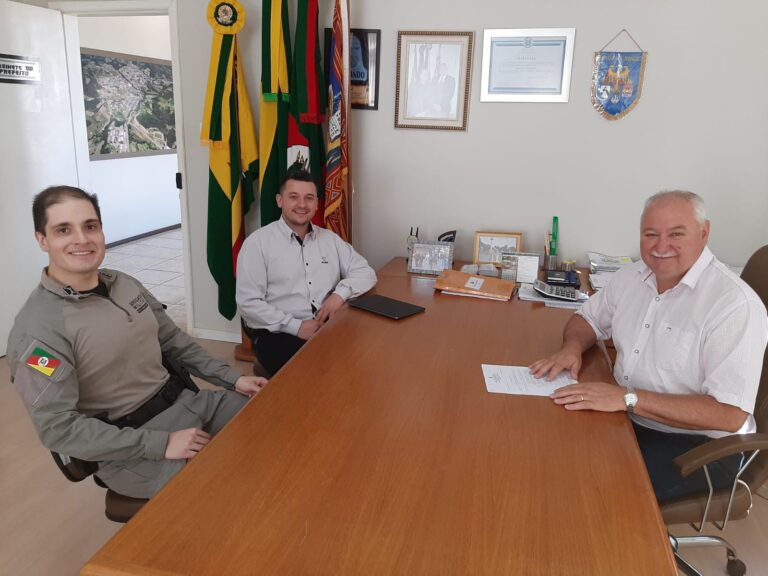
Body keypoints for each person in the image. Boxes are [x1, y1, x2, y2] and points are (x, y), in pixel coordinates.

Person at [7, 185, 267, 499]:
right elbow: (59, 429)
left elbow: (174, 341)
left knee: (271, 418)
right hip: (131, 446)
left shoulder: (123, 283)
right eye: (63, 229)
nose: (82, 239)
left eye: (90, 226)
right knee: (232, 486)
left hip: (186, 403)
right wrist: (161, 443)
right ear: (42, 240)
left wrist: (233, 379)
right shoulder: (38, 328)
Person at [530, 190, 767, 502]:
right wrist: (571, 348)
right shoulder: (632, 276)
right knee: (542, 444)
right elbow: (587, 318)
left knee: (578, 488)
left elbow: (729, 415)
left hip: (699, 447)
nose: (661, 246)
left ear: (704, 233)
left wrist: (628, 398)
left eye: (676, 234)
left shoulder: (733, 305)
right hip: (628, 417)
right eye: (651, 234)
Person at [236, 169, 377, 376]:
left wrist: (339, 295)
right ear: (280, 201)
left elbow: (366, 272)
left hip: (328, 324)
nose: (302, 205)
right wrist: (296, 327)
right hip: (278, 333)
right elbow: (248, 303)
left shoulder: (330, 240)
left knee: (368, 354)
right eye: (294, 197)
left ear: (317, 204)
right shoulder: (257, 244)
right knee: (318, 373)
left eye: (309, 198)